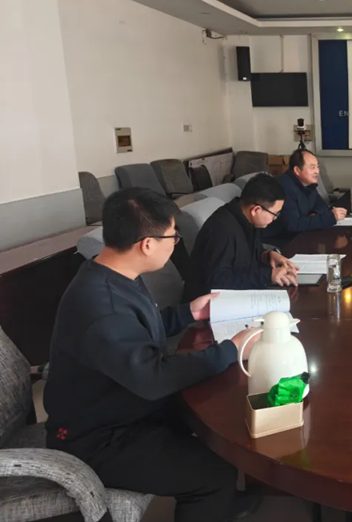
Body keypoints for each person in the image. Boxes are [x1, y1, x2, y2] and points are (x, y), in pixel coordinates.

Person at [44, 187, 259, 522]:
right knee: (212, 474)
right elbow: (155, 378)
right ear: (147, 244)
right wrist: (232, 348)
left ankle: (222, 503)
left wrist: (188, 312)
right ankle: (216, 498)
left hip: (125, 405)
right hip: (99, 437)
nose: (176, 243)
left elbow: (140, 327)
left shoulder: (113, 273)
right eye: (173, 236)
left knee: (225, 419)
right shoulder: (102, 306)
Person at [185, 173, 298, 301]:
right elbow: (218, 282)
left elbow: (246, 256)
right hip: (210, 305)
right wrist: (267, 276)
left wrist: (267, 255)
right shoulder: (222, 230)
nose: (274, 219)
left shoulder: (247, 218)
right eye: (275, 214)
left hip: (237, 296)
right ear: (256, 210)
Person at [262, 149, 347, 248]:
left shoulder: (307, 184)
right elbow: (293, 225)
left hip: (300, 235)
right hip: (281, 240)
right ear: (297, 170)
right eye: (312, 167)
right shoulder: (285, 188)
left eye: (317, 167)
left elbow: (321, 206)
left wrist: (314, 215)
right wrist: (329, 218)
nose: (317, 171)